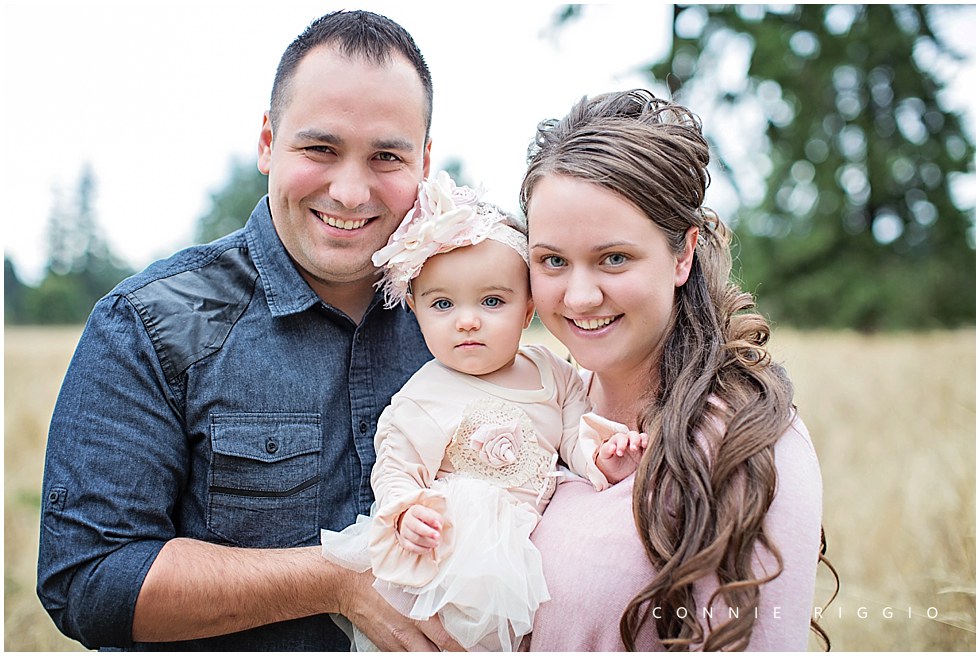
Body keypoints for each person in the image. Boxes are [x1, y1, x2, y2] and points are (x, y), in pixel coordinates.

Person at [36, 10, 463, 651]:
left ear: (424, 162)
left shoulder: (473, 318)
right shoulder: (150, 324)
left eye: (386, 157)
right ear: (268, 142)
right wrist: (336, 581)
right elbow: (89, 581)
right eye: (320, 149)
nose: (350, 191)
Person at [518, 89, 832, 651]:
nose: (581, 295)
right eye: (553, 261)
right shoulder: (543, 404)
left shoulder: (747, 443)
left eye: (614, 258)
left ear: (683, 254)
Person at [321, 171, 647, 651]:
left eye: (492, 301)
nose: (468, 320)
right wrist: (407, 512)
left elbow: (573, 434)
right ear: (414, 308)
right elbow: (396, 468)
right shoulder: (422, 396)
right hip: (453, 556)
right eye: (443, 304)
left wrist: (600, 457)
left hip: (525, 558)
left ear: (529, 308)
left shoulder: (549, 370)